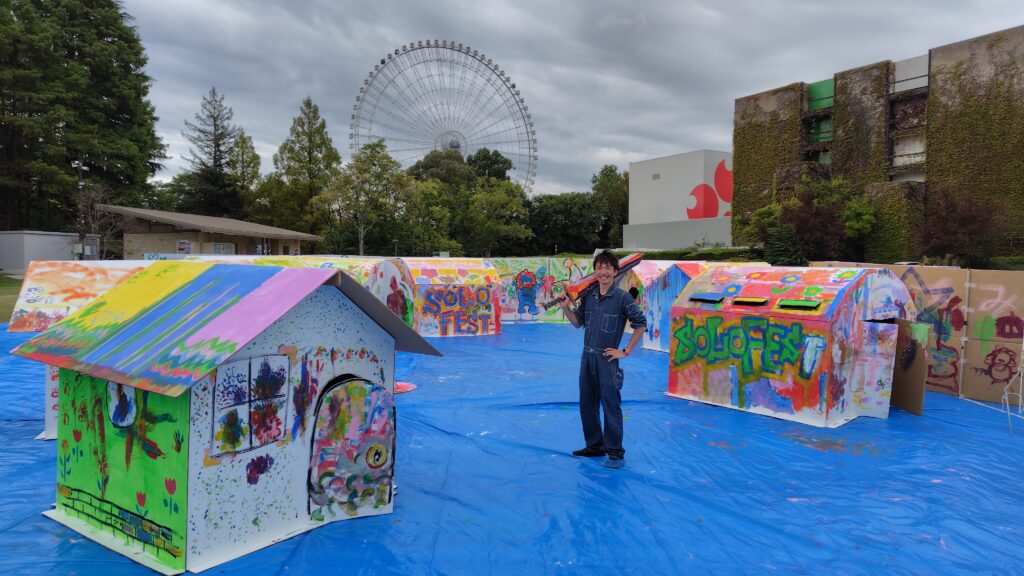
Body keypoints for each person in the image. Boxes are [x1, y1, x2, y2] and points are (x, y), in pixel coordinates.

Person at [559, 250, 646, 469]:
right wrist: (565, 308)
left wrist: (624, 351)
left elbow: (640, 324)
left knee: (610, 405)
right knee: (587, 405)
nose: (603, 272)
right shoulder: (589, 296)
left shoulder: (622, 298)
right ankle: (594, 446)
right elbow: (578, 323)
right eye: (599, 268)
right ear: (595, 272)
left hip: (607, 360)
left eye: (608, 268)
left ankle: (615, 453)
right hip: (586, 357)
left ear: (616, 272)